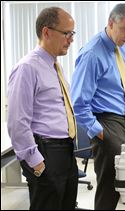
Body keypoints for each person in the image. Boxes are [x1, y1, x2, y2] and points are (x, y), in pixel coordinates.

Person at [7, 7, 78, 210]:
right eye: (67, 33)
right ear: (46, 32)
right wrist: (36, 162)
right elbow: (17, 121)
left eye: (72, 33)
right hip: (45, 152)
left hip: (65, 150)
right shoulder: (27, 67)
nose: (71, 39)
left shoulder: (56, 66)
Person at [71, 3, 125, 210]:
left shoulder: (122, 49)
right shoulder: (92, 54)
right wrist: (100, 132)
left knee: (124, 184)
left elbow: (122, 86)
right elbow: (79, 103)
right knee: (110, 186)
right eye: (124, 29)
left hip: (124, 122)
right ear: (111, 23)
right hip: (106, 123)